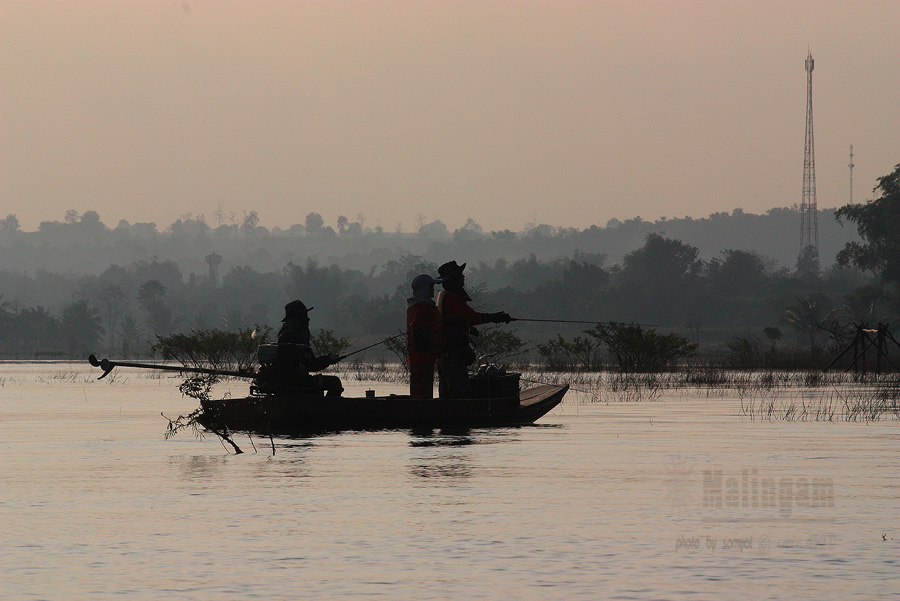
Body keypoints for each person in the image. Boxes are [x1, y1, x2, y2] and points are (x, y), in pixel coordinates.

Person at [435, 261, 511, 398]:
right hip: (453, 352)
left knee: (449, 388)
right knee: (458, 389)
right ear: (453, 279)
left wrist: (468, 328)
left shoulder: (445, 296)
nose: (463, 277)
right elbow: (472, 316)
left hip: (447, 351)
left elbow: (457, 320)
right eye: (460, 275)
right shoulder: (453, 298)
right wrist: (496, 317)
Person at [275, 300, 343, 396]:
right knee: (334, 382)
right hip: (296, 382)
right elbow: (310, 365)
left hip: (301, 380)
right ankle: (327, 408)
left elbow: (311, 364)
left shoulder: (296, 336)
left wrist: (327, 360)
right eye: (304, 316)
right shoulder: (289, 336)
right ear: (296, 318)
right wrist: (326, 360)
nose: (308, 319)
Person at [406, 273, 444, 399]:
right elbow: (416, 325)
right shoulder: (422, 306)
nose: (433, 290)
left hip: (423, 357)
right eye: (431, 287)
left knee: (423, 387)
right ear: (425, 289)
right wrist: (425, 347)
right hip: (421, 357)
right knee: (421, 390)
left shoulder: (419, 304)